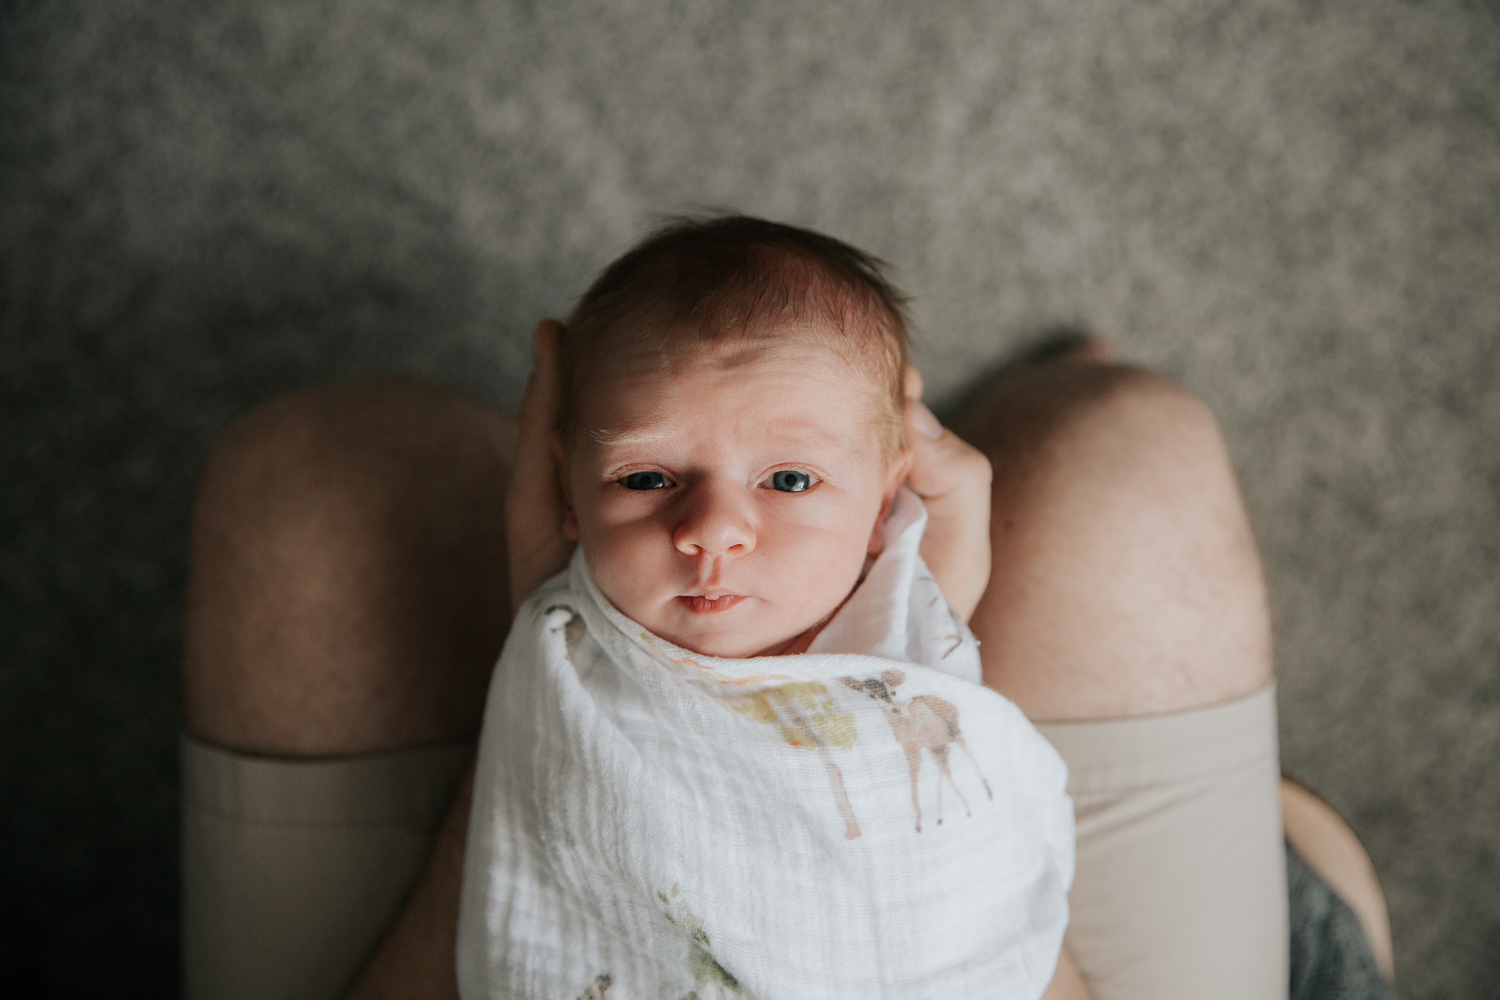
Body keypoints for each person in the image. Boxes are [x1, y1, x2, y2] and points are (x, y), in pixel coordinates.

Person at [181, 217, 1392, 1000]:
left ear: (883, 510)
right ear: (569, 488)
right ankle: (1314, 899)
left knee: (319, 478)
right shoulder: (578, 635)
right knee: (1123, 447)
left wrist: (936, 656)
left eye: (791, 480)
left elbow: (943, 808)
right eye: (645, 477)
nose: (710, 530)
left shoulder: (896, 632)